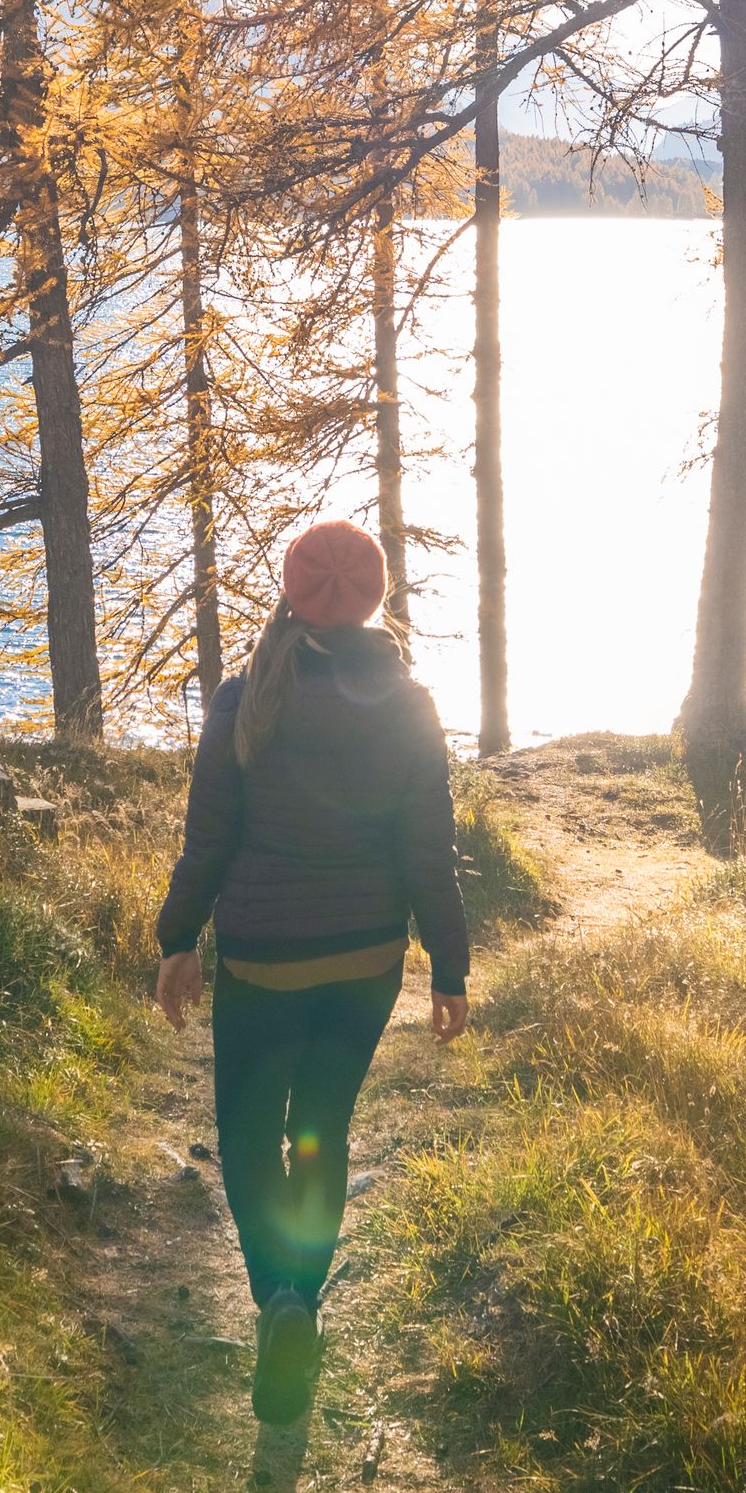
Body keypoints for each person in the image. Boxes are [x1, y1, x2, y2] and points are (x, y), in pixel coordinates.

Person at [154, 519, 471, 1428]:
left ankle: (279, 1304)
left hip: (260, 961)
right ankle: (306, 1293)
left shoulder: (246, 694)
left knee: (252, 1138)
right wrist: (449, 965)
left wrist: (177, 940)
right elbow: (430, 852)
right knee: (321, 1130)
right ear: (371, 600)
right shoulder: (410, 702)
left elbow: (207, 841)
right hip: (367, 961)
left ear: (295, 593)